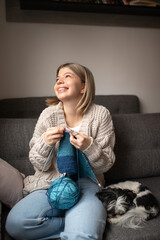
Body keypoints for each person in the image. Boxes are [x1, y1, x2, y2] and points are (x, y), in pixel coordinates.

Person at [6, 63, 115, 240]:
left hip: (86, 184)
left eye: (67, 76)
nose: (60, 81)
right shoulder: (47, 115)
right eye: (57, 79)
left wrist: (89, 146)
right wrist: (45, 143)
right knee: (16, 224)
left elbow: (106, 164)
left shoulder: (101, 114)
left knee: (82, 235)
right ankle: (72, 223)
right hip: (50, 183)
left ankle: (79, 223)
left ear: (84, 87)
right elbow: (38, 163)